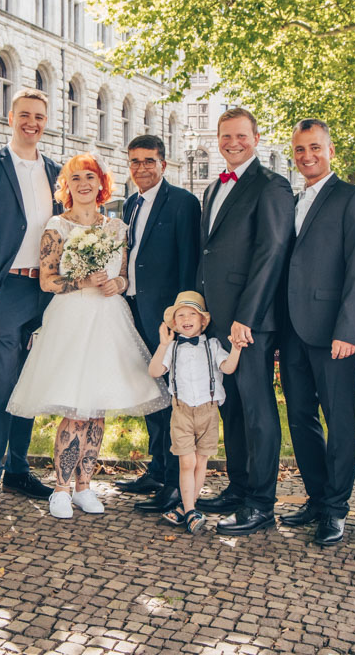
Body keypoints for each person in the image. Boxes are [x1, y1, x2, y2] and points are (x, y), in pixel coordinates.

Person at [6, 153, 169, 519]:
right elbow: (47, 280)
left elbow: (125, 275)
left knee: (96, 411)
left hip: (109, 320)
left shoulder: (115, 228)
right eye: (76, 177)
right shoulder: (57, 226)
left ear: (101, 184)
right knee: (76, 410)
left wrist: (117, 282)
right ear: (67, 185)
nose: (83, 184)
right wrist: (83, 280)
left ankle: (84, 487)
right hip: (72, 320)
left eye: (90, 177)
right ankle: (60, 489)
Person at [195, 107, 294, 536]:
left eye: (240, 136)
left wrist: (246, 318)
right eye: (225, 136)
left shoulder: (272, 186)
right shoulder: (213, 188)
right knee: (231, 405)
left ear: (256, 137)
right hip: (216, 317)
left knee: (257, 409)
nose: (232, 143)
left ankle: (261, 502)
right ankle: (237, 488)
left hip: (248, 322)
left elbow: (271, 254)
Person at [278, 119, 355, 547]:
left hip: (334, 331)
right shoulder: (293, 199)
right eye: (299, 150)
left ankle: (336, 508)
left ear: (331, 151)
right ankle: (316, 499)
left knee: (339, 421)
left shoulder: (353, 198)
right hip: (293, 330)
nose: (307, 156)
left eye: (314, 148)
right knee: (300, 418)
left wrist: (348, 329)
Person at [0, 88, 61, 515]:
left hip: (47, 293)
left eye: (39, 117)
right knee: (2, 387)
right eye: (25, 115)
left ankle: (18, 470)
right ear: (10, 117)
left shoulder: (56, 171)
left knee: (32, 384)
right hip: (7, 291)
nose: (32, 123)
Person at [115, 134, 202, 514]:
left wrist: (182, 318)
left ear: (163, 164)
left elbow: (188, 263)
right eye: (135, 161)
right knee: (149, 391)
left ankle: (171, 481)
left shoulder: (183, 203)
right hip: (132, 309)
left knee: (169, 394)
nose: (142, 168)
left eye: (149, 161)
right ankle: (156, 467)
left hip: (165, 315)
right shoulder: (130, 204)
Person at [147, 291, 241, 534]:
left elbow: (228, 368)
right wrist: (163, 344)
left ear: (203, 321)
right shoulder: (173, 348)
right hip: (182, 411)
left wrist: (237, 349)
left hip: (208, 411)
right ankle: (190, 511)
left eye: (192, 314)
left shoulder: (212, 345)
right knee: (186, 461)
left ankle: (187, 508)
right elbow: (155, 371)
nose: (186, 318)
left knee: (201, 462)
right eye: (180, 315)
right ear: (174, 323)